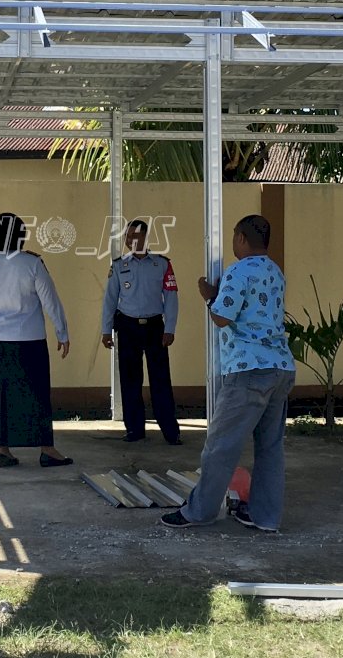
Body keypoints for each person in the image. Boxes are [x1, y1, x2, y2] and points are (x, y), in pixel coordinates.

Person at [161, 214, 294, 532]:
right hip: (281, 367)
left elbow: (222, 317)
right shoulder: (276, 272)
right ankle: (266, 517)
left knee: (220, 445)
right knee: (270, 448)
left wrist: (208, 294)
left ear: (242, 240)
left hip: (247, 370)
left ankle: (199, 512)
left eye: (236, 237)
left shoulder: (237, 272)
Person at [0, 213, 75, 469]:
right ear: (21, 236)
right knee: (36, 393)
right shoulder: (32, 263)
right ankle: (47, 450)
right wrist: (62, 333)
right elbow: (50, 300)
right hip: (30, 339)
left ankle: (3, 450)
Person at [100, 219, 182, 444]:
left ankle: (170, 431)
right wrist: (106, 330)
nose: (130, 241)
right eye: (128, 237)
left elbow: (172, 297)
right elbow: (109, 300)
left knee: (160, 379)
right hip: (127, 327)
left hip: (155, 326)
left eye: (135, 236)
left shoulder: (162, 264)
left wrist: (170, 328)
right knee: (130, 380)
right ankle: (135, 429)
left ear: (145, 238)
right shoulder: (118, 266)